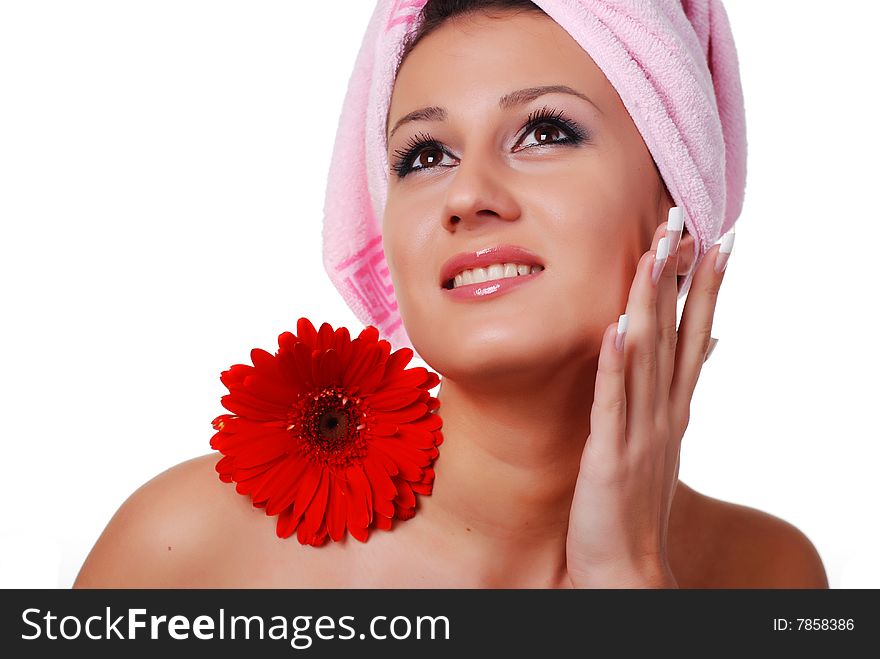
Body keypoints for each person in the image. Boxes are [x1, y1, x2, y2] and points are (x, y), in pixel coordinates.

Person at [74, 0, 828, 588]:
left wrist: (628, 578)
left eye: (546, 133)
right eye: (425, 154)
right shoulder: (191, 545)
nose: (467, 195)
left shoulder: (767, 573)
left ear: (678, 206)